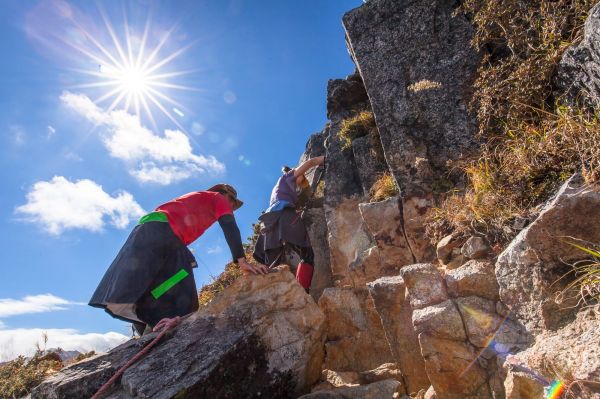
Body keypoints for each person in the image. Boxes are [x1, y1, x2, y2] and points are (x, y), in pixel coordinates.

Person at [89, 184, 268, 335]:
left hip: (149, 230)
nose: (231, 208)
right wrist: (241, 260)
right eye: (232, 203)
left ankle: (149, 325)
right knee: (183, 282)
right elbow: (229, 225)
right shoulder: (218, 198)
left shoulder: (200, 200)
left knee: (151, 283)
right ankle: (163, 321)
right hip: (162, 231)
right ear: (226, 196)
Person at [253, 156, 325, 292]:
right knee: (307, 255)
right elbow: (311, 162)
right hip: (285, 216)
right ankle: (302, 293)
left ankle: (274, 297)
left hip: (269, 223)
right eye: (302, 178)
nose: (301, 182)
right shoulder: (287, 176)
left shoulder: (280, 190)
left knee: (273, 264)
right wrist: (325, 159)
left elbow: (301, 200)